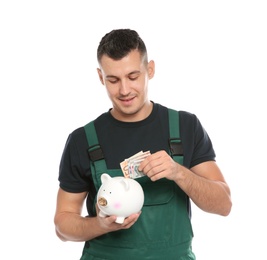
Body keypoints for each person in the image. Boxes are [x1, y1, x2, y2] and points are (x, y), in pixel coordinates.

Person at [54, 28, 232, 260]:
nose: (124, 90)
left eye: (133, 76)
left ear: (150, 70)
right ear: (100, 77)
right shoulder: (83, 139)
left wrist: (179, 173)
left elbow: (224, 205)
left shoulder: (185, 126)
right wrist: (101, 225)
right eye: (113, 80)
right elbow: (62, 226)